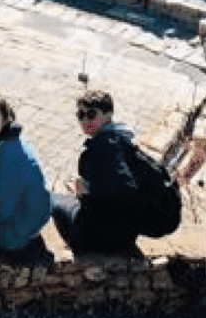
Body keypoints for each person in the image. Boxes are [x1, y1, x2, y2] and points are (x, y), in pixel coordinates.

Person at [50, 89, 144, 255]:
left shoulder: (100, 149)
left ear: (108, 115)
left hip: (102, 237)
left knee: (54, 202)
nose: (85, 120)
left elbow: (109, 199)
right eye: (80, 115)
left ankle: (80, 249)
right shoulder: (125, 141)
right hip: (127, 235)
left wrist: (85, 193)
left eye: (91, 114)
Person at [0, 93, 49, 258]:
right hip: (28, 221)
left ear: (5, 117)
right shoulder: (10, 140)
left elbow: (0, 209)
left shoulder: (8, 155)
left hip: (15, 234)